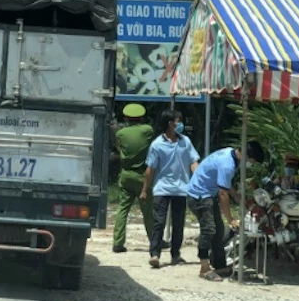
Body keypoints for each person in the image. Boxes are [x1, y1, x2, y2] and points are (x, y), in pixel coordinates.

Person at [186, 140, 265, 281]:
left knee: (218, 229)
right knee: (209, 229)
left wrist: (235, 195)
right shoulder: (227, 164)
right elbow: (223, 194)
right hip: (199, 195)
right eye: (252, 161)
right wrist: (231, 219)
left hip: (208, 193)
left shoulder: (231, 154)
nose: (251, 164)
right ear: (246, 155)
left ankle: (219, 265)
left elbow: (225, 182)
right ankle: (204, 268)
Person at [141, 109, 200, 268]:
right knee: (159, 222)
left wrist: (198, 178)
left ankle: (176, 254)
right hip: (162, 189)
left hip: (182, 189)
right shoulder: (157, 145)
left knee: (179, 223)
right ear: (170, 123)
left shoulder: (185, 142)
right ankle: (155, 253)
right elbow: (150, 170)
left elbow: (193, 161)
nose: (180, 124)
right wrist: (144, 189)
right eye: (178, 121)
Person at [112, 103, 155, 253]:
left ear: (126, 117)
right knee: (148, 211)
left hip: (125, 175)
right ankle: (154, 241)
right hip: (142, 176)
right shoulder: (147, 131)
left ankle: (117, 242)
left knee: (122, 209)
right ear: (142, 117)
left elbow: (118, 147)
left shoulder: (121, 133)